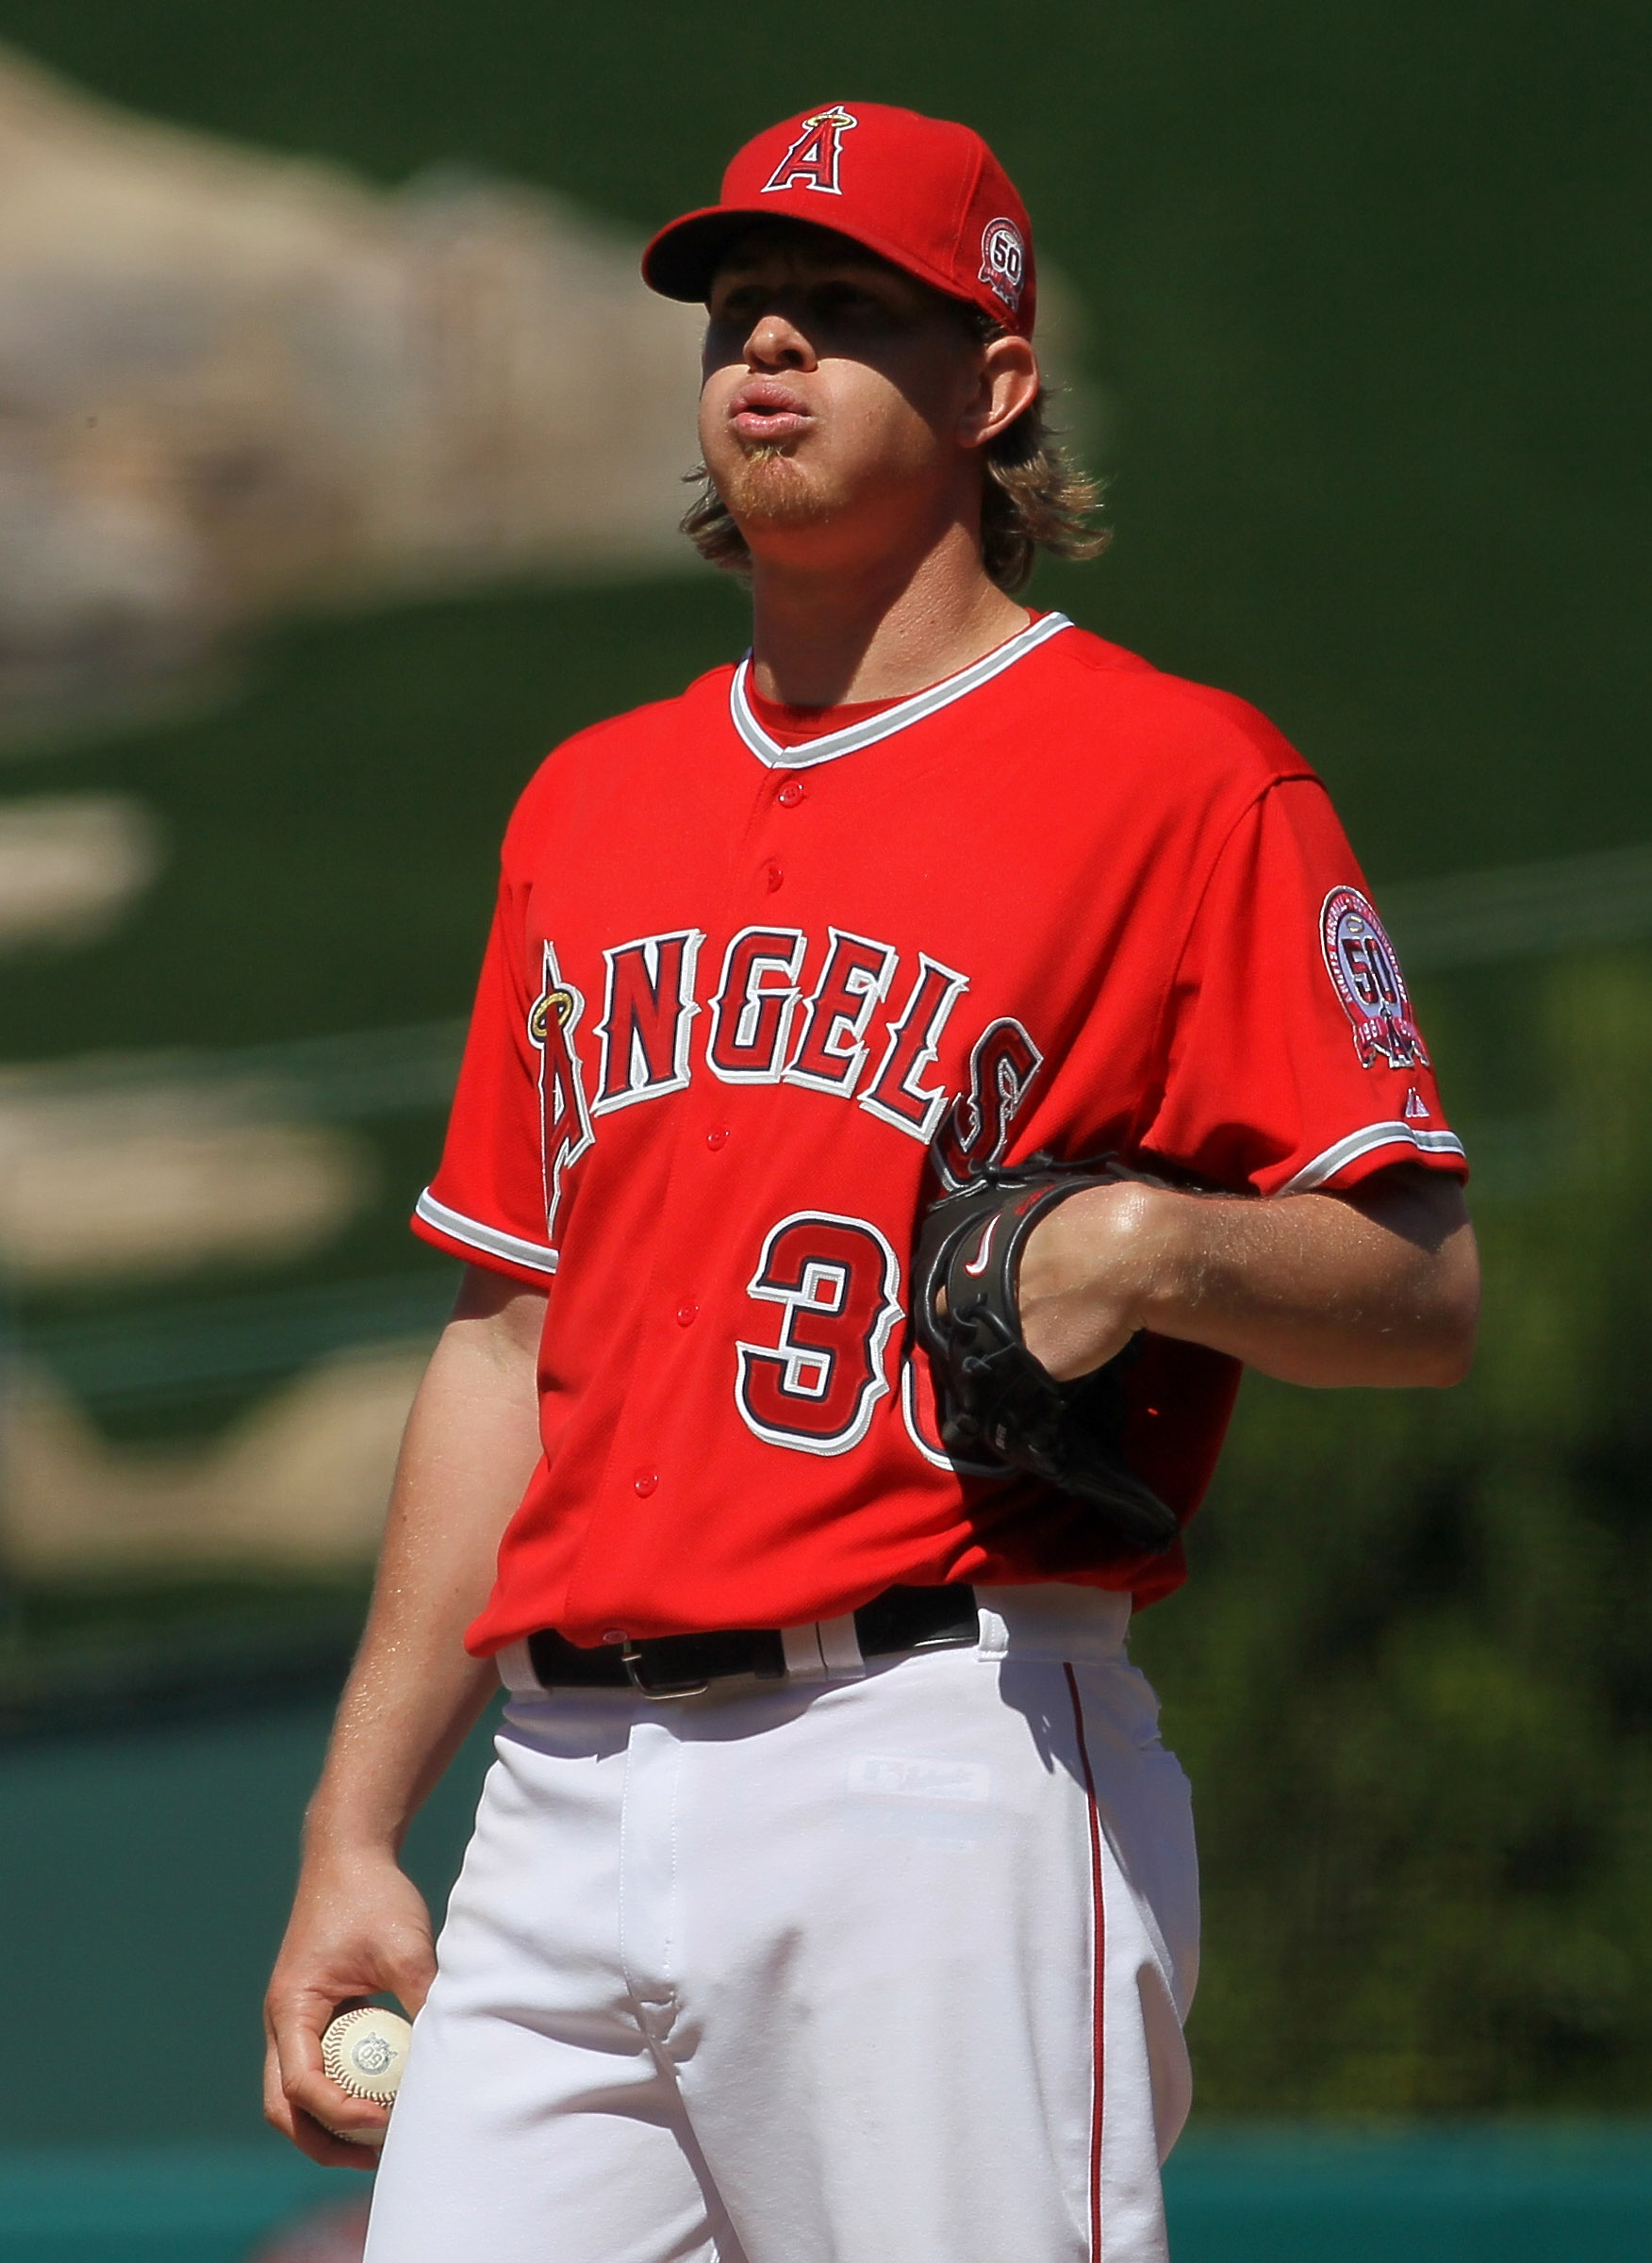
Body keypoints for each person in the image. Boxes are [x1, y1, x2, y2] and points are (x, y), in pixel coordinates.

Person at [264, 101, 1479, 2263]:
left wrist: (1158, 1242)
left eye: (841, 310)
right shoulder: (590, 800)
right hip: (560, 1794)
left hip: (934, 1740)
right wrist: (359, 1823)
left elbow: (1421, 1286)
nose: (767, 356)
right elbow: (506, 1335)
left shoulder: (1180, 775)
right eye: (742, 313)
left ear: (996, 382)